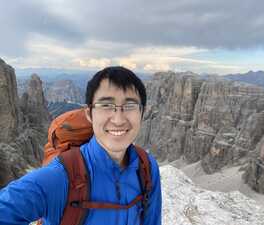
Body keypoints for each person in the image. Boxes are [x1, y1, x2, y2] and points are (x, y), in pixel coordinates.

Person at [0, 66, 162, 225]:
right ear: (89, 114)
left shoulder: (146, 167)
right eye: (106, 105)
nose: (118, 119)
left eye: (130, 106)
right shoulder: (61, 177)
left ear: (142, 113)